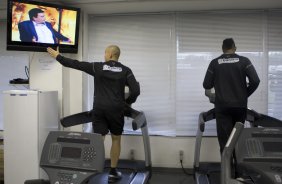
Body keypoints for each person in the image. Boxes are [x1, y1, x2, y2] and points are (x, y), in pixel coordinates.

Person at [47, 45, 140, 183]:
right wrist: (127, 102)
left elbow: (75, 64)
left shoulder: (98, 67)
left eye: (105, 53)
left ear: (110, 55)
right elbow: (136, 90)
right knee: (116, 139)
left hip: (100, 109)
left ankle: (89, 170)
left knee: (98, 139)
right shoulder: (126, 71)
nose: (104, 55)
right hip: (116, 110)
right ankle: (113, 172)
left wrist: (58, 56)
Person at [203, 38, 260, 154]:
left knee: (225, 142)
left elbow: (206, 84)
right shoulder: (244, 61)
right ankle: (239, 171)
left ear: (222, 48)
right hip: (240, 106)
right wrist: (244, 94)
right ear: (234, 47)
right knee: (237, 140)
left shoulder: (214, 63)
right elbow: (255, 81)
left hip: (222, 107)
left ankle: (226, 171)